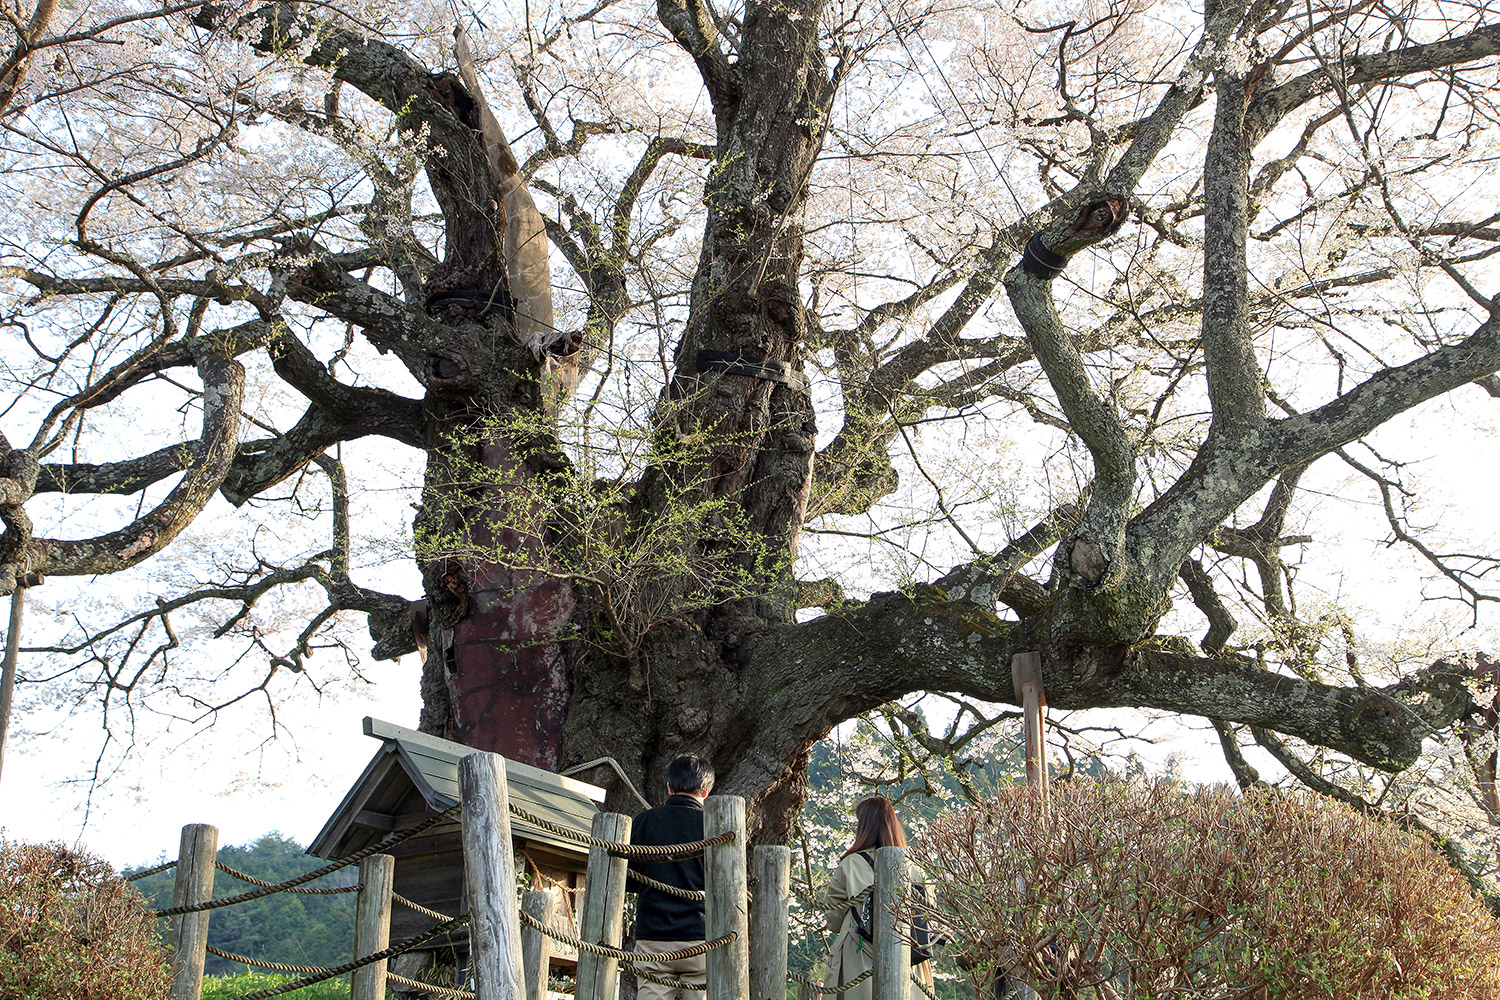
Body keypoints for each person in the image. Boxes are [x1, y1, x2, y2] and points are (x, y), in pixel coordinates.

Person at [821, 796, 932, 1000]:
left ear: (864, 826)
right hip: (907, 957)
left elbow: (834, 920)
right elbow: (929, 914)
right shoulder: (914, 866)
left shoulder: (850, 864)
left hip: (858, 957)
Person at [627, 754, 715, 1000]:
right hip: (701, 938)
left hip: (653, 937)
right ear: (706, 790)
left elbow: (629, 880)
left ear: (668, 786)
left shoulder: (644, 822)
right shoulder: (714, 825)